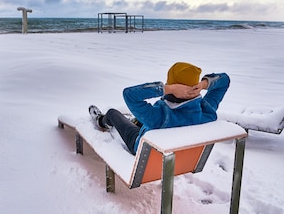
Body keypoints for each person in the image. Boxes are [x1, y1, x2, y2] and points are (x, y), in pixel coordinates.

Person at [89, 62, 230, 155]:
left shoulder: (158, 117)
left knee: (114, 113)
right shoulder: (207, 112)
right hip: (178, 155)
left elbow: (129, 94)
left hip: (145, 150)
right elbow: (225, 80)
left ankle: (101, 121)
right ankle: (136, 121)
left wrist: (168, 89)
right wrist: (204, 84)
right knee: (141, 118)